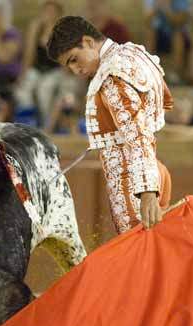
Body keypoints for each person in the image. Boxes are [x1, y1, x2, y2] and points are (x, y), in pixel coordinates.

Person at [47, 16, 174, 233]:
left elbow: (137, 135)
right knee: (152, 253)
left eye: (74, 59)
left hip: (132, 181)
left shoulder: (111, 76)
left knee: (138, 255)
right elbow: (165, 101)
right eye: (69, 65)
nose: (75, 70)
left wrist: (147, 191)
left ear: (87, 41)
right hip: (152, 168)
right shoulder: (133, 55)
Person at [15, 0, 80, 128]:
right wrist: (23, 74)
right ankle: (28, 121)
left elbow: (65, 61)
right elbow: (29, 55)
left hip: (55, 69)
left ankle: (46, 125)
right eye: (47, 11)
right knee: (23, 89)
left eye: (53, 11)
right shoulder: (36, 28)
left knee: (45, 88)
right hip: (38, 68)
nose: (49, 14)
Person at [143, 0, 193, 72]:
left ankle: (175, 74)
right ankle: (148, 71)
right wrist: (156, 8)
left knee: (178, 36)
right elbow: (146, 21)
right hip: (158, 34)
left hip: (176, 33)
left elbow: (180, 21)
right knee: (150, 33)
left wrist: (166, 9)